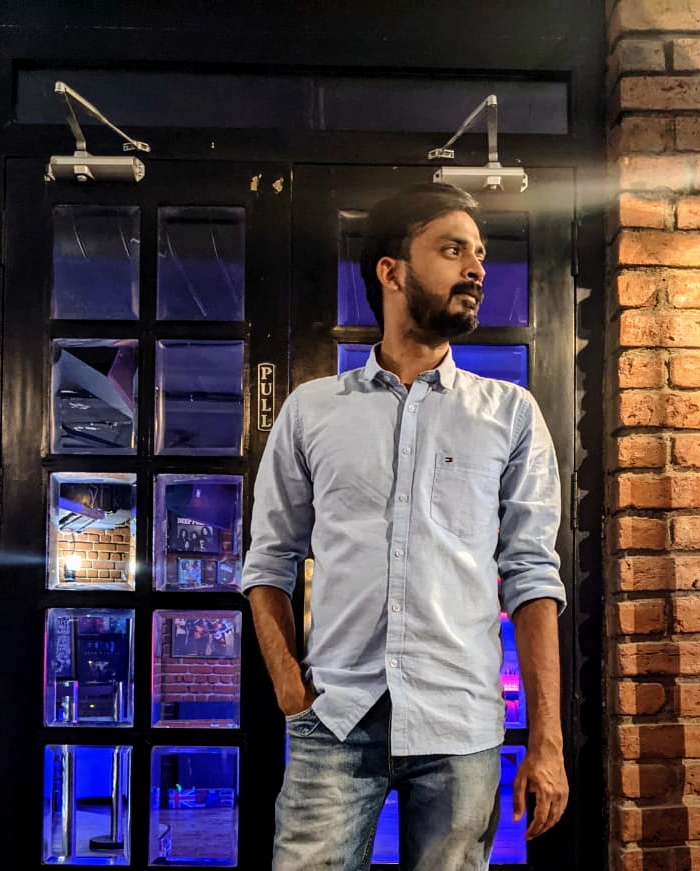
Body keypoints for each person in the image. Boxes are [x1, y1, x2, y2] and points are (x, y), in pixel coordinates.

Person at [241, 183, 568, 871]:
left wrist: (547, 739)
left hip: (461, 725)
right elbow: (268, 562)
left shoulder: (510, 414)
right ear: (391, 271)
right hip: (336, 717)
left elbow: (533, 577)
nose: (476, 269)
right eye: (452, 250)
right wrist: (289, 687)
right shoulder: (310, 411)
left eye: (480, 254)